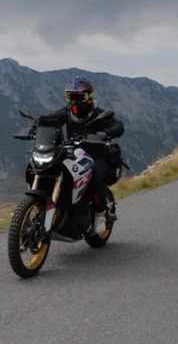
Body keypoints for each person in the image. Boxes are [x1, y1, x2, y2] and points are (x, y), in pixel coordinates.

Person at [45, 76, 124, 234]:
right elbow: (49, 120)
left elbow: (118, 125)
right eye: (71, 97)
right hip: (73, 153)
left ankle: (100, 213)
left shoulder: (99, 114)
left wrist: (105, 133)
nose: (75, 101)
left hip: (96, 155)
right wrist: (36, 126)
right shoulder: (67, 112)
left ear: (89, 97)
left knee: (94, 178)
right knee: (53, 168)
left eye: (79, 97)